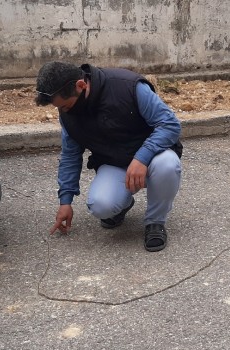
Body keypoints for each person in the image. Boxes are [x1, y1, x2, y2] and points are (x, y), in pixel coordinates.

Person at [35, 61, 183, 252]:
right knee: (100, 206)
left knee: (168, 165)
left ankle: (155, 222)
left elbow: (170, 125)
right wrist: (65, 201)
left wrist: (142, 158)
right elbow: (70, 156)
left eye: (64, 106)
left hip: (153, 158)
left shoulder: (128, 87)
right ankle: (122, 204)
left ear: (81, 85)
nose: (63, 112)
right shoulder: (68, 114)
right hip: (115, 163)